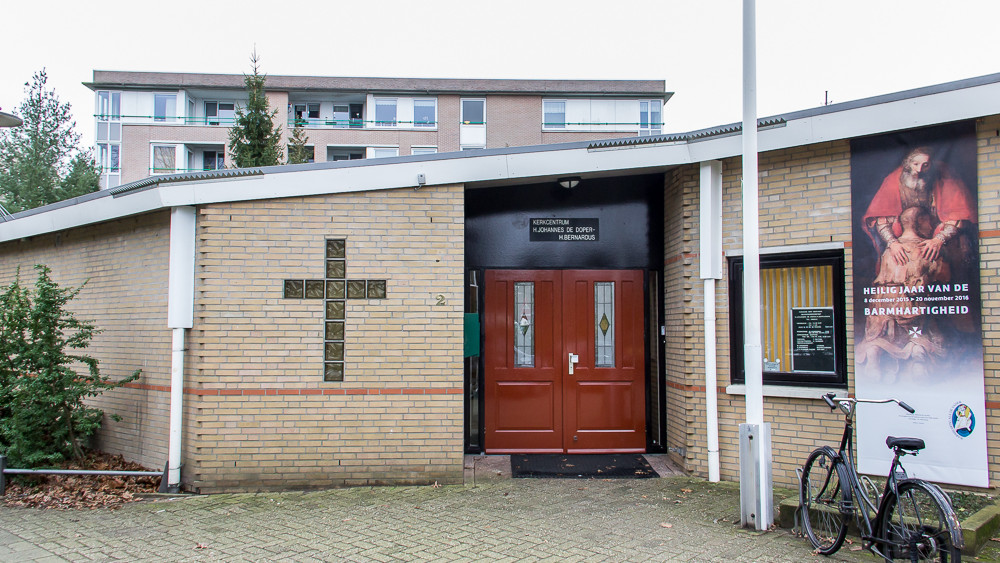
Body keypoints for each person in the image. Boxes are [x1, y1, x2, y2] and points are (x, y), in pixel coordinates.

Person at [857, 206, 950, 381]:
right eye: (928, 221)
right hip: (910, 305)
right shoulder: (928, 250)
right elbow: (943, 277)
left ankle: (873, 356)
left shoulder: (889, 250)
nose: (931, 227)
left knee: (879, 333)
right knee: (925, 334)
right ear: (919, 222)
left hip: (883, 304)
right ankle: (918, 356)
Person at [862, 146, 976, 268]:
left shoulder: (944, 176)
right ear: (908, 163)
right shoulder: (893, 181)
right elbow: (881, 218)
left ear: (931, 165)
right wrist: (893, 243)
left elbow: (959, 214)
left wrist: (939, 240)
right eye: (915, 164)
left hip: (939, 236)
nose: (919, 170)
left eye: (925, 165)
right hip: (901, 239)